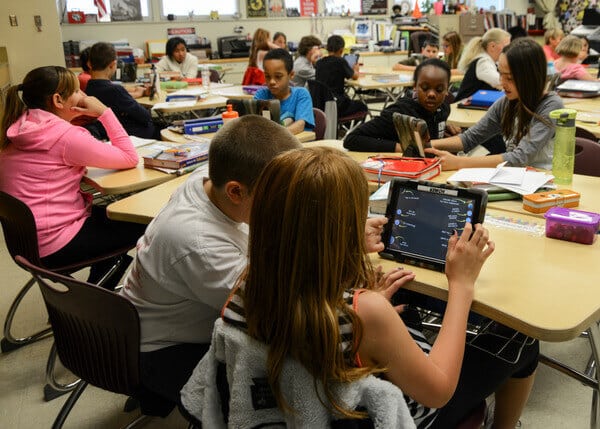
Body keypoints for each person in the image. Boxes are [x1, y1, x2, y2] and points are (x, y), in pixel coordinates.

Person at [220, 145, 539, 428]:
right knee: (521, 337)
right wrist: (461, 286)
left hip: (303, 403)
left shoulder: (249, 282)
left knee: (405, 311)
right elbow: (439, 392)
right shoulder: (366, 313)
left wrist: (344, 250)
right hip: (400, 414)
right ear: (343, 228)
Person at [119, 116, 302, 412]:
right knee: (300, 370)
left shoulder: (208, 180)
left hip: (153, 322)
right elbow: (274, 314)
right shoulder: (200, 245)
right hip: (164, 352)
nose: (286, 204)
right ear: (236, 192)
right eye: (278, 195)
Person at [0, 66, 146, 290]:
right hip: (56, 243)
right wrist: (105, 112)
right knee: (141, 221)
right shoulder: (66, 137)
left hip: (27, 242)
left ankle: (92, 291)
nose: (85, 96)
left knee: (114, 214)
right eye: (77, 91)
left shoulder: (19, 125)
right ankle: (92, 299)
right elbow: (129, 157)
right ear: (58, 100)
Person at [427, 38, 564, 170]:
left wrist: (459, 162)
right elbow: (470, 138)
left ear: (530, 77)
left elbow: (519, 158)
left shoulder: (551, 105)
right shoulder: (506, 103)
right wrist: (425, 145)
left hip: (542, 182)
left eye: (509, 78)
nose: (502, 83)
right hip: (513, 178)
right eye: (500, 74)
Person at [344, 58, 457, 152]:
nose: (432, 94)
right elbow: (352, 139)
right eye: (425, 88)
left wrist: (444, 130)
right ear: (415, 86)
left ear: (447, 90)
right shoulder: (399, 113)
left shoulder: (444, 109)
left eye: (439, 89)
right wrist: (400, 147)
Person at [85, 42, 159, 140]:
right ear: (113, 64)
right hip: (133, 135)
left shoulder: (88, 88)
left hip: (108, 135)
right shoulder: (115, 91)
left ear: (89, 64)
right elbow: (145, 116)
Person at [254, 49, 315, 135]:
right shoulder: (261, 95)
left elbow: (300, 125)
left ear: (291, 75)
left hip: (297, 145)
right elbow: (253, 123)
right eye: (267, 76)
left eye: (278, 76)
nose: (272, 82)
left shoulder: (301, 94)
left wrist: (274, 136)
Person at [315, 35, 368, 119]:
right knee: (362, 106)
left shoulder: (319, 63)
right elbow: (354, 76)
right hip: (337, 105)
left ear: (327, 48)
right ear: (341, 50)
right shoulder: (341, 61)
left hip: (321, 104)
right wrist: (356, 69)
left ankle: (343, 129)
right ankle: (351, 130)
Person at [454, 28, 511, 102]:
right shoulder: (483, 62)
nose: (509, 51)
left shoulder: (493, 62)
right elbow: (499, 82)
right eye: (506, 47)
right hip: (464, 107)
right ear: (492, 46)